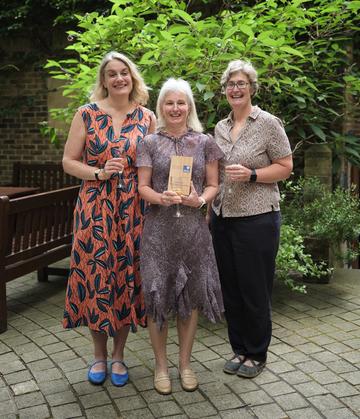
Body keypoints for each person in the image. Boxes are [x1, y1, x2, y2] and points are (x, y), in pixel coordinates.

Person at [62, 51, 155, 387]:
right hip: (95, 207)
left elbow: (155, 163)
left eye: (124, 73)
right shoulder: (86, 114)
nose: (119, 79)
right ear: (103, 80)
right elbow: (69, 162)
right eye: (112, 74)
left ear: (132, 78)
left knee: (127, 276)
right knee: (96, 276)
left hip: (133, 209)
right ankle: (98, 356)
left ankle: (119, 356)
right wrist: (99, 172)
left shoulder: (146, 117)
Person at [136, 78, 224, 395]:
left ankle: (185, 365)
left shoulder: (205, 143)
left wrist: (200, 199)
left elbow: (214, 184)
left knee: (190, 299)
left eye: (181, 102)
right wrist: (161, 198)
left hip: (193, 232)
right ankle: (161, 367)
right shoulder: (147, 143)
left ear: (190, 107)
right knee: (157, 297)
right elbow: (142, 187)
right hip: (158, 232)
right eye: (169, 103)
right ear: (161, 107)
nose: (175, 108)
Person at [210, 60, 293, 378]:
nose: (235, 89)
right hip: (222, 217)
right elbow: (215, 172)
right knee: (230, 289)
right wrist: (209, 213)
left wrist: (253, 174)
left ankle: (257, 353)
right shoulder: (220, 127)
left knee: (254, 290)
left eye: (241, 83)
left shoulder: (269, 123)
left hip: (257, 219)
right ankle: (239, 350)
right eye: (230, 84)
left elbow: (285, 167)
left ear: (252, 87)